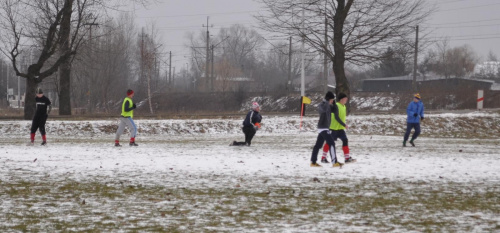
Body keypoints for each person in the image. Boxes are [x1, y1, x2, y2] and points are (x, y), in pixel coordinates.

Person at [310, 91, 343, 167]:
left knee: (318, 145)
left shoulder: (328, 105)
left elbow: (334, 111)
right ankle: (334, 162)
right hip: (323, 127)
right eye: (332, 99)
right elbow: (323, 110)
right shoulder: (322, 104)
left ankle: (313, 162)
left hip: (325, 128)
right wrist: (328, 103)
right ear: (328, 99)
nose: (332, 101)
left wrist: (334, 105)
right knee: (332, 143)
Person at [321, 93, 356, 163]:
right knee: (329, 143)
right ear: (341, 99)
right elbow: (336, 118)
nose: (347, 99)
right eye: (345, 98)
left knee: (345, 140)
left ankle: (347, 158)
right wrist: (344, 124)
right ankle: (323, 158)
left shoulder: (344, 106)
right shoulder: (336, 106)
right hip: (333, 128)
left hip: (340, 129)